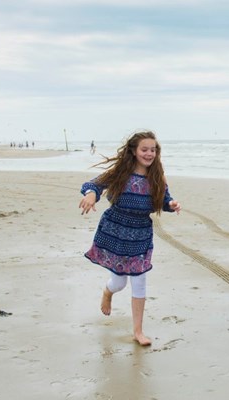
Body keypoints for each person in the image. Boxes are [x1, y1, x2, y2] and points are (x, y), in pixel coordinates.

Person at [78, 130, 181, 346]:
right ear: (134, 151)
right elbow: (93, 185)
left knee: (139, 280)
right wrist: (90, 195)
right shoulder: (120, 172)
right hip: (116, 229)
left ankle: (138, 331)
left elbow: (164, 200)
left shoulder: (157, 176)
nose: (149, 153)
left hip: (141, 233)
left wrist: (171, 205)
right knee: (119, 281)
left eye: (153, 150)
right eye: (145, 149)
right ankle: (108, 292)